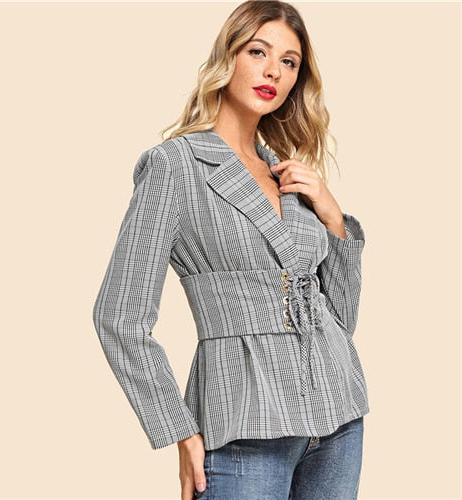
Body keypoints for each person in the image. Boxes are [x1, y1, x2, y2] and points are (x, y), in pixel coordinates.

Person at [93, 1, 370, 499]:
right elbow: (119, 316)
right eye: (258, 52)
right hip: (244, 427)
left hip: (339, 418)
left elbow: (340, 322)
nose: (273, 71)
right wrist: (178, 428)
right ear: (228, 56)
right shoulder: (176, 166)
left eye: (289, 61)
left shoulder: (289, 176)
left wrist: (333, 219)